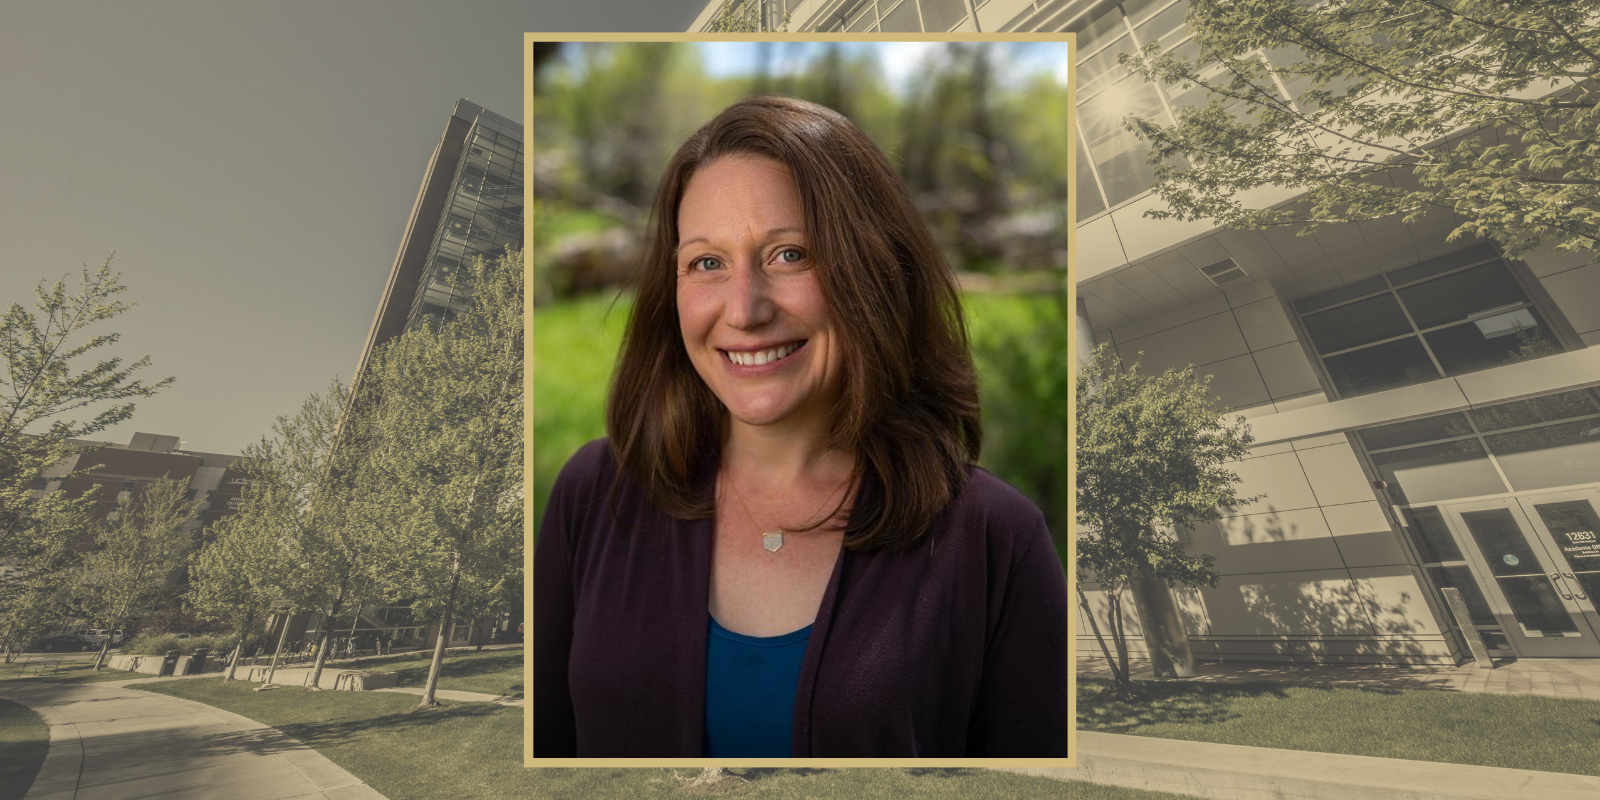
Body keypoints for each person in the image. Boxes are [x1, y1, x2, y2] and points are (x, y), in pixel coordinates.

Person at [534, 95, 1073, 758]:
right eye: (707, 262)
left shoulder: (997, 541)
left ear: (874, 268)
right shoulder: (593, 495)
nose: (744, 309)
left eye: (790, 254)